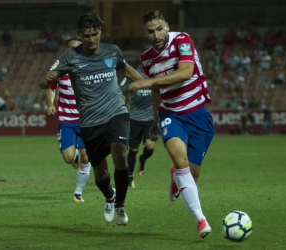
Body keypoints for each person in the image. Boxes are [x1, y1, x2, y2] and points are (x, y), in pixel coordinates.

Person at [39, 13, 144, 226]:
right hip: (89, 121)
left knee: (120, 155)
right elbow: (45, 83)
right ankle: (109, 196)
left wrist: (147, 82)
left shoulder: (112, 51)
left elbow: (126, 70)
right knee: (100, 173)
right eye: (86, 35)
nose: (91, 39)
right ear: (79, 34)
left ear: (100, 32)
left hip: (116, 113)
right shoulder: (69, 58)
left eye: (95, 34)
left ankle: (121, 205)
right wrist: (46, 80)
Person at [129, 10, 214, 238]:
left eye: (159, 29)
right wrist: (157, 120)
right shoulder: (146, 59)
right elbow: (157, 90)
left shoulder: (182, 40)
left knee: (190, 175)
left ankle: (175, 179)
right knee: (180, 160)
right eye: (150, 31)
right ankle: (200, 220)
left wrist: (149, 81)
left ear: (166, 26)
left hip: (198, 115)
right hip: (171, 114)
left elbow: (186, 72)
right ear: (145, 33)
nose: (156, 35)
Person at [46, 36, 91, 203]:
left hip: (86, 120)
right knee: (68, 158)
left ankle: (78, 192)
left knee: (87, 157)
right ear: (67, 51)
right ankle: (75, 157)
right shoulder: (59, 68)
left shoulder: (90, 68)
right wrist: (50, 103)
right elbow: (50, 87)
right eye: (72, 48)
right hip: (66, 121)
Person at [120, 52, 155, 188]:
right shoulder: (131, 75)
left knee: (150, 147)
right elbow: (121, 90)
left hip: (150, 119)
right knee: (133, 149)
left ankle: (143, 159)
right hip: (134, 117)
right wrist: (123, 98)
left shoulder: (154, 76)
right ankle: (129, 177)